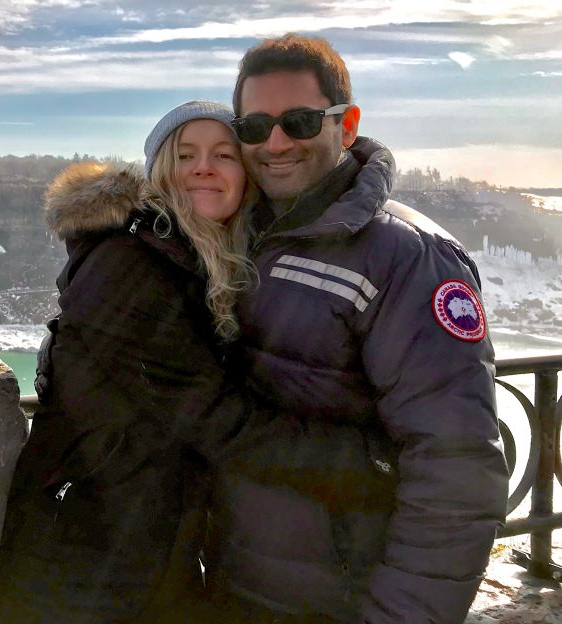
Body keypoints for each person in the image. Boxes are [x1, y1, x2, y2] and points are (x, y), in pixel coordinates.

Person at [205, 33, 509, 624]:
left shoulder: (408, 258)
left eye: (298, 120)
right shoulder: (239, 235)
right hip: (235, 583)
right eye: (253, 127)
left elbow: (457, 464)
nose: (274, 144)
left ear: (346, 126)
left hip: (339, 599)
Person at [0, 100, 265, 623]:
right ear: (161, 171)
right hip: (82, 555)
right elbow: (213, 418)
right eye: (185, 154)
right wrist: (356, 460)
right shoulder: (129, 264)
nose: (203, 167)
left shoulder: (195, 260)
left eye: (224, 155)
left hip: (141, 541)